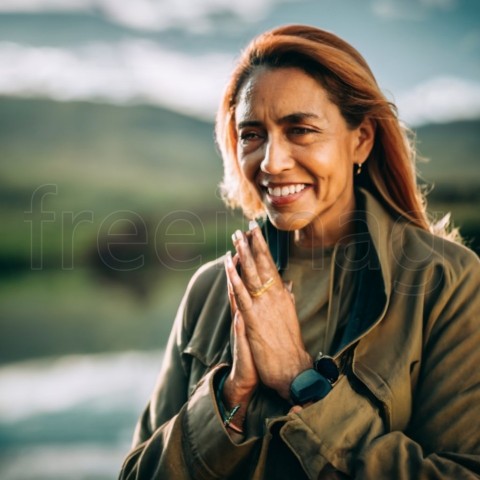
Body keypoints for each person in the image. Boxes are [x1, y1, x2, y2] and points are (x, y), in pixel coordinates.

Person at [119, 25, 480, 479]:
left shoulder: (446, 284)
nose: (271, 162)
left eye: (301, 130)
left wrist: (299, 378)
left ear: (361, 139)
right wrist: (228, 398)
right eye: (252, 134)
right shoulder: (211, 290)